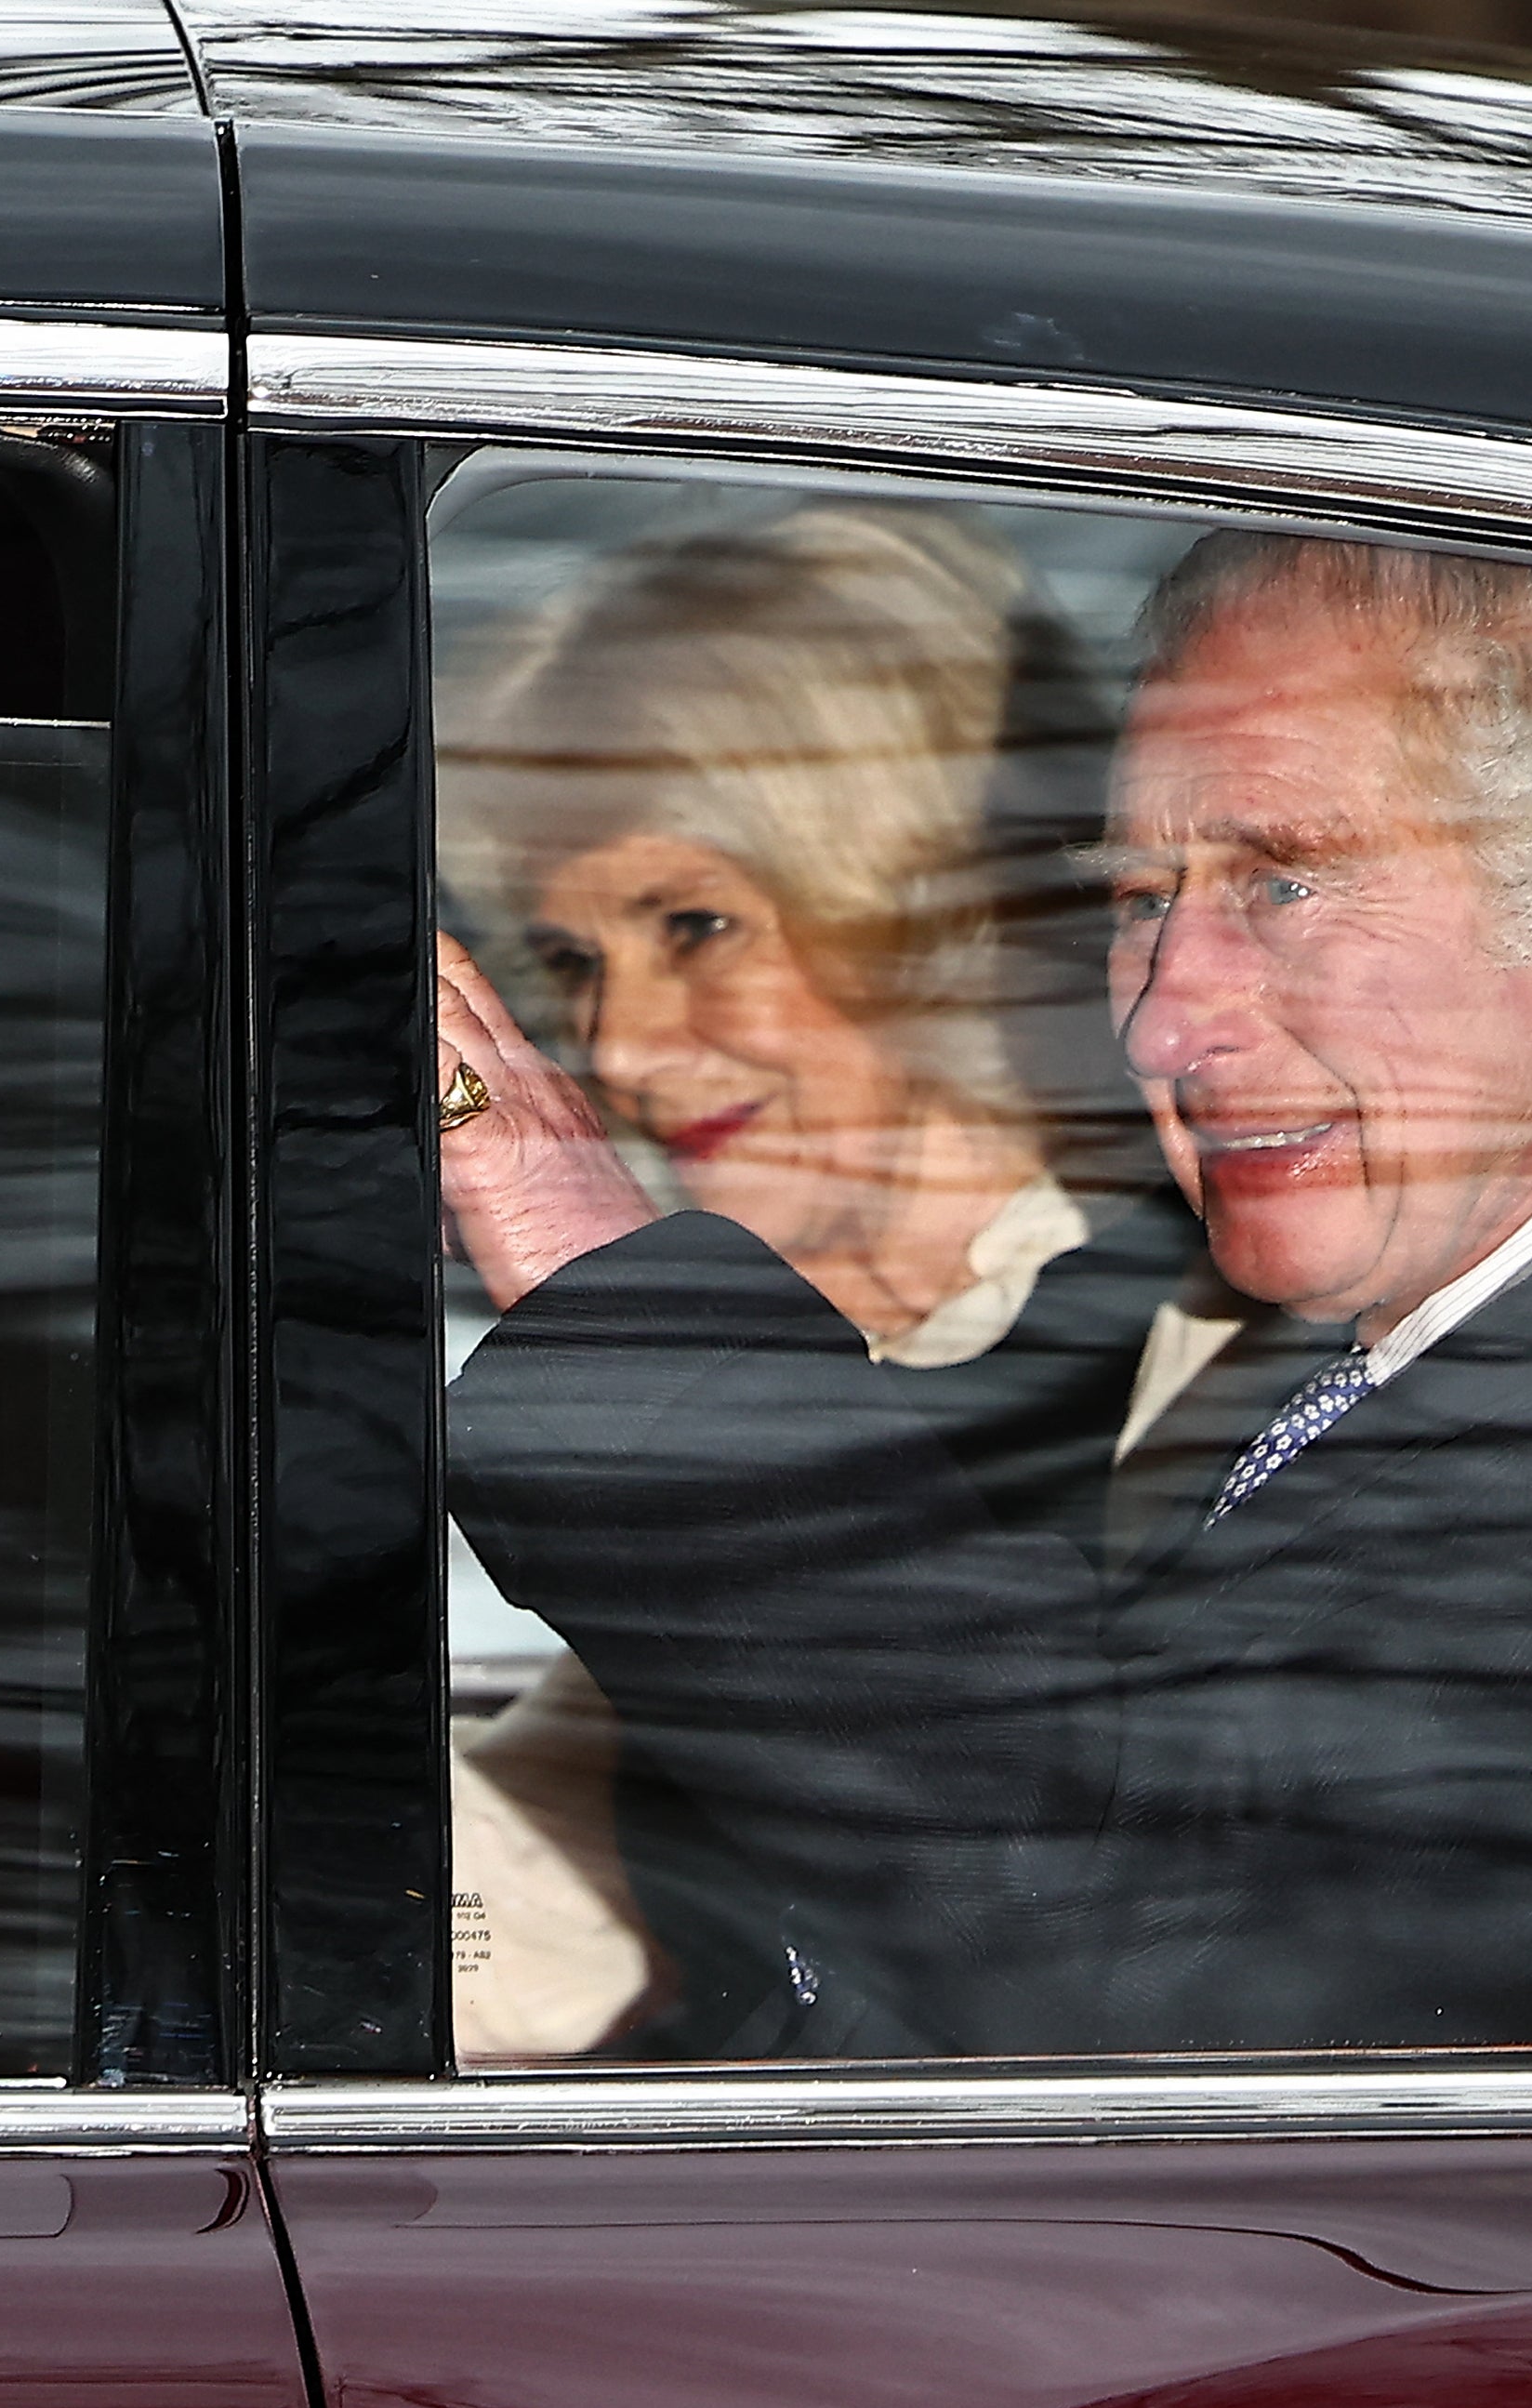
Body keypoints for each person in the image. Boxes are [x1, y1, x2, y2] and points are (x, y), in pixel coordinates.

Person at [438, 530, 1532, 2056]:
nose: (1156, 1021)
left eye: (1284, 883)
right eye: (1145, 901)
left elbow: (1123, 1961)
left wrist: (591, 1269)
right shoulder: (1508, 1367)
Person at [433, 500, 1195, 2057]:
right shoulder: (848, 1348)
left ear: (926, 902)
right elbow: (525, 1923)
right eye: (572, 963)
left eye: (697, 925)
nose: (624, 1051)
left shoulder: (1195, 1364)